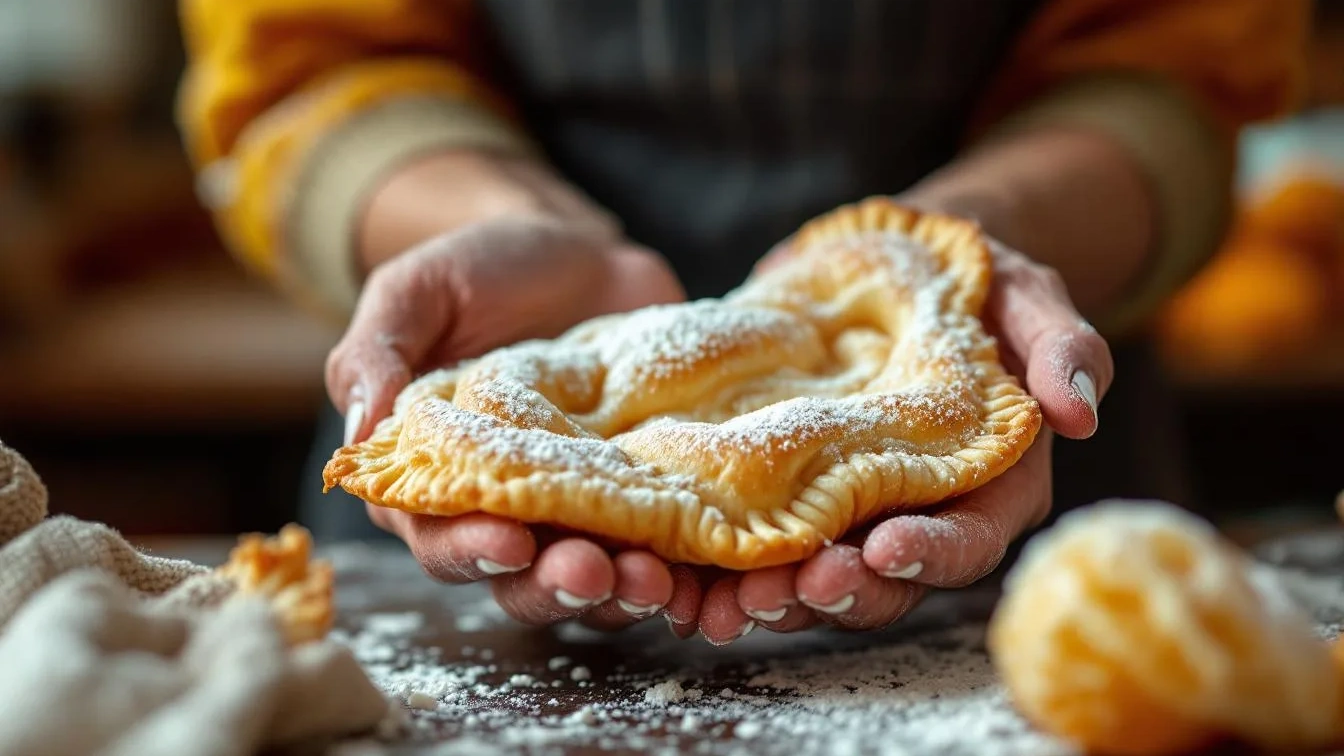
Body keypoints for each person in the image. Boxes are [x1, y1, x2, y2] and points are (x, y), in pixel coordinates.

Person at [176, 0, 1308, 645]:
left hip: (1039, 480)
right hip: (480, 438)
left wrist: (952, 247)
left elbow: (1173, 68)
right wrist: (497, 219)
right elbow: (307, 63)